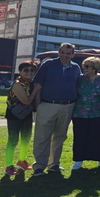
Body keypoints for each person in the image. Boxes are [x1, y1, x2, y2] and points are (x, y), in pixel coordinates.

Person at [30, 43, 82, 176]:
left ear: (73, 55)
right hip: (47, 105)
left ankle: (54, 164)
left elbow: (79, 86)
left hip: (68, 106)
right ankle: (40, 165)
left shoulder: (76, 68)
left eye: (68, 53)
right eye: (63, 52)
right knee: (42, 136)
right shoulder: (48, 64)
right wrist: (38, 105)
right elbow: (38, 84)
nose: (65, 55)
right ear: (59, 53)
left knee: (60, 136)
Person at [71, 57, 100, 170]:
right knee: (79, 137)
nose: (84, 68)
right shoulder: (80, 79)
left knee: (98, 137)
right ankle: (78, 160)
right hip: (80, 113)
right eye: (84, 66)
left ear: (95, 68)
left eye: (87, 66)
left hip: (98, 113)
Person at [3, 62, 37, 176]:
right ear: (20, 71)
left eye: (32, 70)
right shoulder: (17, 84)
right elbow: (26, 101)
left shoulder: (30, 83)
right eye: (26, 70)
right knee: (13, 140)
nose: (29, 72)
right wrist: (36, 90)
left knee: (26, 138)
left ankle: (22, 161)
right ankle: (9, 165)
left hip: (26, 115)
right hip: (14, 115)